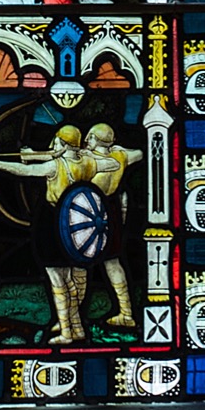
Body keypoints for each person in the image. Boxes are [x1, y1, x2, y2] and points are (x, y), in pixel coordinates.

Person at [0, 123, 113, 343]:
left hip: (53, 224)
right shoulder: (89, 163)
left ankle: (66, 333)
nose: (52, 144)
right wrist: (79, 153)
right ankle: (77, 327)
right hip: (78, 225)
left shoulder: (56, 166)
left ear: (61, 143)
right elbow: (110, 163)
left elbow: (25, 171)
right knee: (73, 279)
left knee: (58, 281)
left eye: (56, 141)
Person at [84, 122, 144, 327]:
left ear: (97, 139)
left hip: (89, 212)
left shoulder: (89, 159)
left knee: (74, 260)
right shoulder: (120, 157)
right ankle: (126, 311)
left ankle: (74, 318)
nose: (86, 141)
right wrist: (117, 149)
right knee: (112, 261)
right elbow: (139, 153)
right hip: (112, 209)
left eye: (90, 137)